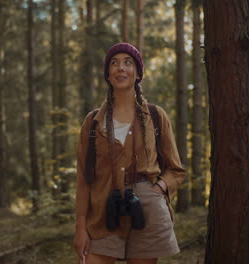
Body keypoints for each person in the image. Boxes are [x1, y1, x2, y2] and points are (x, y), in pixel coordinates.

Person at [73, 43, 186, 264]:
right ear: (108, 74)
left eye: (128, 63)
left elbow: (176, 169)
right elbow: (83, 178)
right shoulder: (93, 122)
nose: (120, 68)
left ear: (137, 74)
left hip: (147, 212)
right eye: (114, 63)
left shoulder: (156, 116)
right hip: (103, 211)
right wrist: (80, 226)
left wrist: (157, 189)